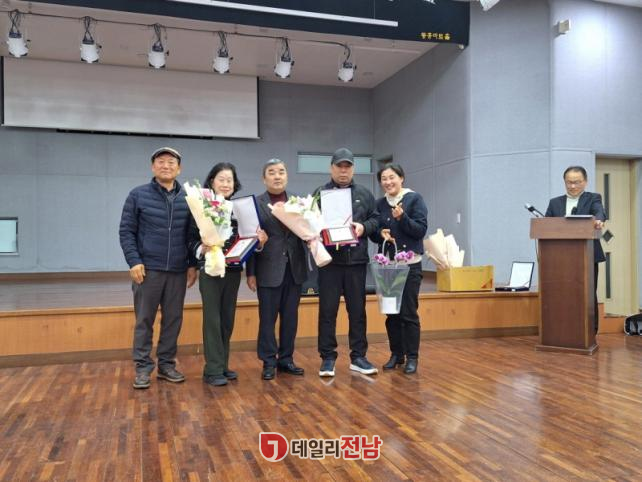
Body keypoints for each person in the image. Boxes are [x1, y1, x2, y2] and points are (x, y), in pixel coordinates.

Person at [119, 147, 198, 389]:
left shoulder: (189, 198)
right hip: (148, 269)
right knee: (144, 320)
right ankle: (143, 368)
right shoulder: (138, 195)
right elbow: (126, 231)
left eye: (171, 162)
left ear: (179, 169)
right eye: (161, 161)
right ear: (153, 167)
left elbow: (192, 235)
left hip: (177, 270)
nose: (166, 166)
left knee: (173, 320)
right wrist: (134, 261)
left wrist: (192, 264)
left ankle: (166, 365)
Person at [189, 162, 267, 387]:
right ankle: (212, 369)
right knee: (212, 320)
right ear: (212, 182)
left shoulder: (240, 209)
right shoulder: (201, 207)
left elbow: (248, 240)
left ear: (235, 184)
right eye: (221, 179)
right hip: (210, 270)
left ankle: (222, 364)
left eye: (229, 180)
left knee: (227, 319)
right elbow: (190, 238)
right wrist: (202, 248)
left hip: (233, 270)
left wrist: (259, 242)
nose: (225, 184)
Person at [316, 147, 379, 377]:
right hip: (329, 263)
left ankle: (358, 356)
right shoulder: (319, 194)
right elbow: (310, 222)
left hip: (356, 262)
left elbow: (375, 220)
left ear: (353, 169)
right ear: (331, 168)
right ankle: (327, 358)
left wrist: (364, 227)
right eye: (339, 166)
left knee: (357, 311)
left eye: (347, 167)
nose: (343, 171)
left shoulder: (364, 193)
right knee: (327, 311)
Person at [246, 159, 308, 381]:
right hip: (267, 269)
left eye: (281, 171)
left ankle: (286, 359)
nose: (277, 176)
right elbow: (252, 239)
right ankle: (268, 361)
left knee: (290, 318)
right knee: (267, 319)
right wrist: (251, 273)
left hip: (294, 268)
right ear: (264, 179)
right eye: (271, 172)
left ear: (287, 176)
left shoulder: (298, 202)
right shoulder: (256, 204)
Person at [370, 164, 428, 374]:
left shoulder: (414, 199)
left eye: (392, 177)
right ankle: (396, 354)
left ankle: (412, 357)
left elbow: (420, 230)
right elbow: (374, 232)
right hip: (388, 266)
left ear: (401, 178)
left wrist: (402, 218)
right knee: (391, 314)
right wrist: (380, 234)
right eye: (384, 179)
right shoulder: (379, 204)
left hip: (410, 265)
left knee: (408, 313)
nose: (388, 182)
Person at [545, 165, 606, 333]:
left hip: (587, 255)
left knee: (587, 293)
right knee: (562, 293)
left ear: (585, 182)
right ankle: (562, 330)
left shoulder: (593, 198)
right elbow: (546, 225)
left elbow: (599, 212)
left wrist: (599, 220)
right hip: (560, 258)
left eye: (577, 182)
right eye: (569, 182)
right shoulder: (555, 203)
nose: (572, 186)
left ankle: (590, 332)